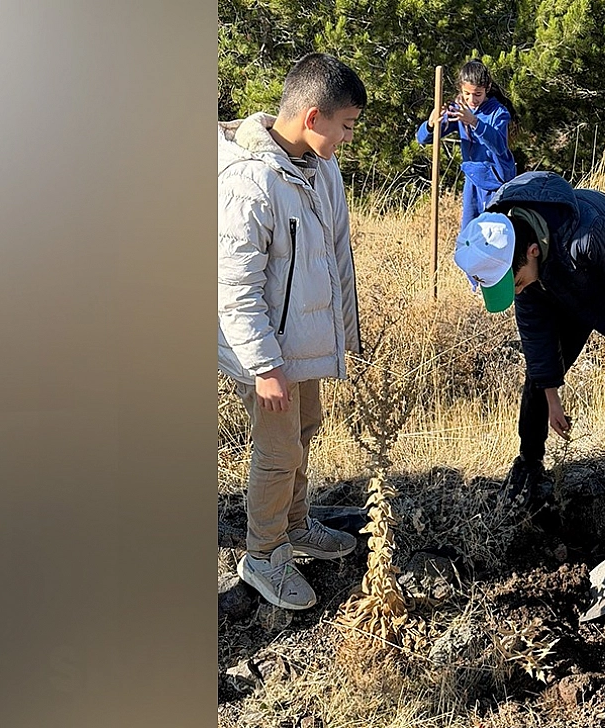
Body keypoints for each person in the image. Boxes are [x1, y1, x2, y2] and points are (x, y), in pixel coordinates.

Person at [451, 171, 605, 513]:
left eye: (516, 283)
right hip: (562, 285)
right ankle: (529, 463)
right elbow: (536, 337)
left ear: (532, 251)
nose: (518, 290)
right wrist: (552, 395)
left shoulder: (590, 232)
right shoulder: (516, 255)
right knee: (539, 376)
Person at [217, 53, 366, 610]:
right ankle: (263, 555)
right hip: (265, 356)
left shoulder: (321, 169)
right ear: (311, 117)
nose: (348, 138)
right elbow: (234, 285)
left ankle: (296, 524)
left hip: (303, 343)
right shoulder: (250, 182)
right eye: (345, 125)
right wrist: (264, 367)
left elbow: (336, 255)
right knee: (277, 452)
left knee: (305, 429)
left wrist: (344, 334)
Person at [417, 59, 518, 227]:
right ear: (461, 89)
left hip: (496, 182)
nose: (472, 99)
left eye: (477, 94)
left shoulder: (498, 112)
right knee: (469, 233)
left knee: (493, 233)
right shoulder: (459, 108)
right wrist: (430, 124)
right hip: (472, 179)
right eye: (467, 93)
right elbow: (423, 138)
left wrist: (474, 122)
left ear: (487, 88)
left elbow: (499, 146)